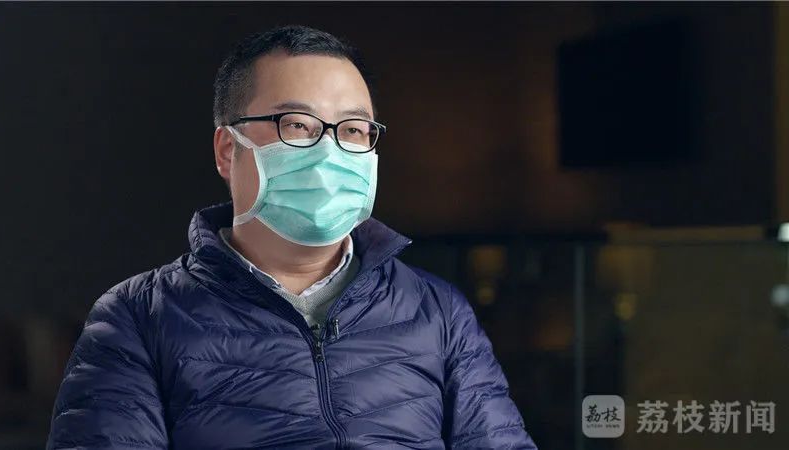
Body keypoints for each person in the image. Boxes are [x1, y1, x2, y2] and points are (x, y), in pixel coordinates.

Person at [46, 25, 537, 449]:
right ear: (227, 150)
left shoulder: (438, 312)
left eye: (353, 130)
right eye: (297, 125)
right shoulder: (137, 318)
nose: (329, 151)